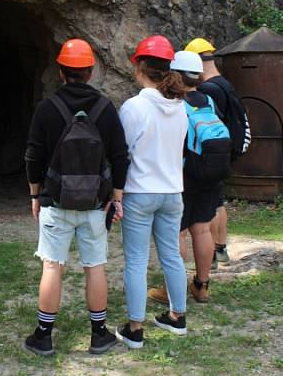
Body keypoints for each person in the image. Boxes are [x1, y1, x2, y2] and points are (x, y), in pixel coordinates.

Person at [23, 38, 129, 356]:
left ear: (61, 72)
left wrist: (35, 195)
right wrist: (117, 198)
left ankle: (44, 336)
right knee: (95, 265)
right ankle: (98, 334)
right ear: (91, 72)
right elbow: (121, 156)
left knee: (52, 266)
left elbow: (33, 156)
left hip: (55, 201)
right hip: (96, 204)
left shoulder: (46, 109)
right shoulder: (106, 108)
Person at [115, 35, 190, 350]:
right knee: (171, 254)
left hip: (140, 192)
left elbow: (122, 152)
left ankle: (135, 328)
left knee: (135, 258)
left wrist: (115, 194)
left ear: (139, 67)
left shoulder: (134, 107)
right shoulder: (180, 106)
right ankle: (177, 317)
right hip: (173, 192)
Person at [149, 50, 229, 305]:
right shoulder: (208, 101)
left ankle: (172, 289)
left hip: (183, 174)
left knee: (178, 232)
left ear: (176, 74)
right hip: (209, 173)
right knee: (203, 229)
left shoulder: (175, 104)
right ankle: (202, 286)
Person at [185, 37, 234, 267]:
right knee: (217, 203)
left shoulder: (207, 91)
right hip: (220, 154)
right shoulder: (225, 84)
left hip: (200, 159)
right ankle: (219, 248)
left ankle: (213, 254)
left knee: (196, 223)